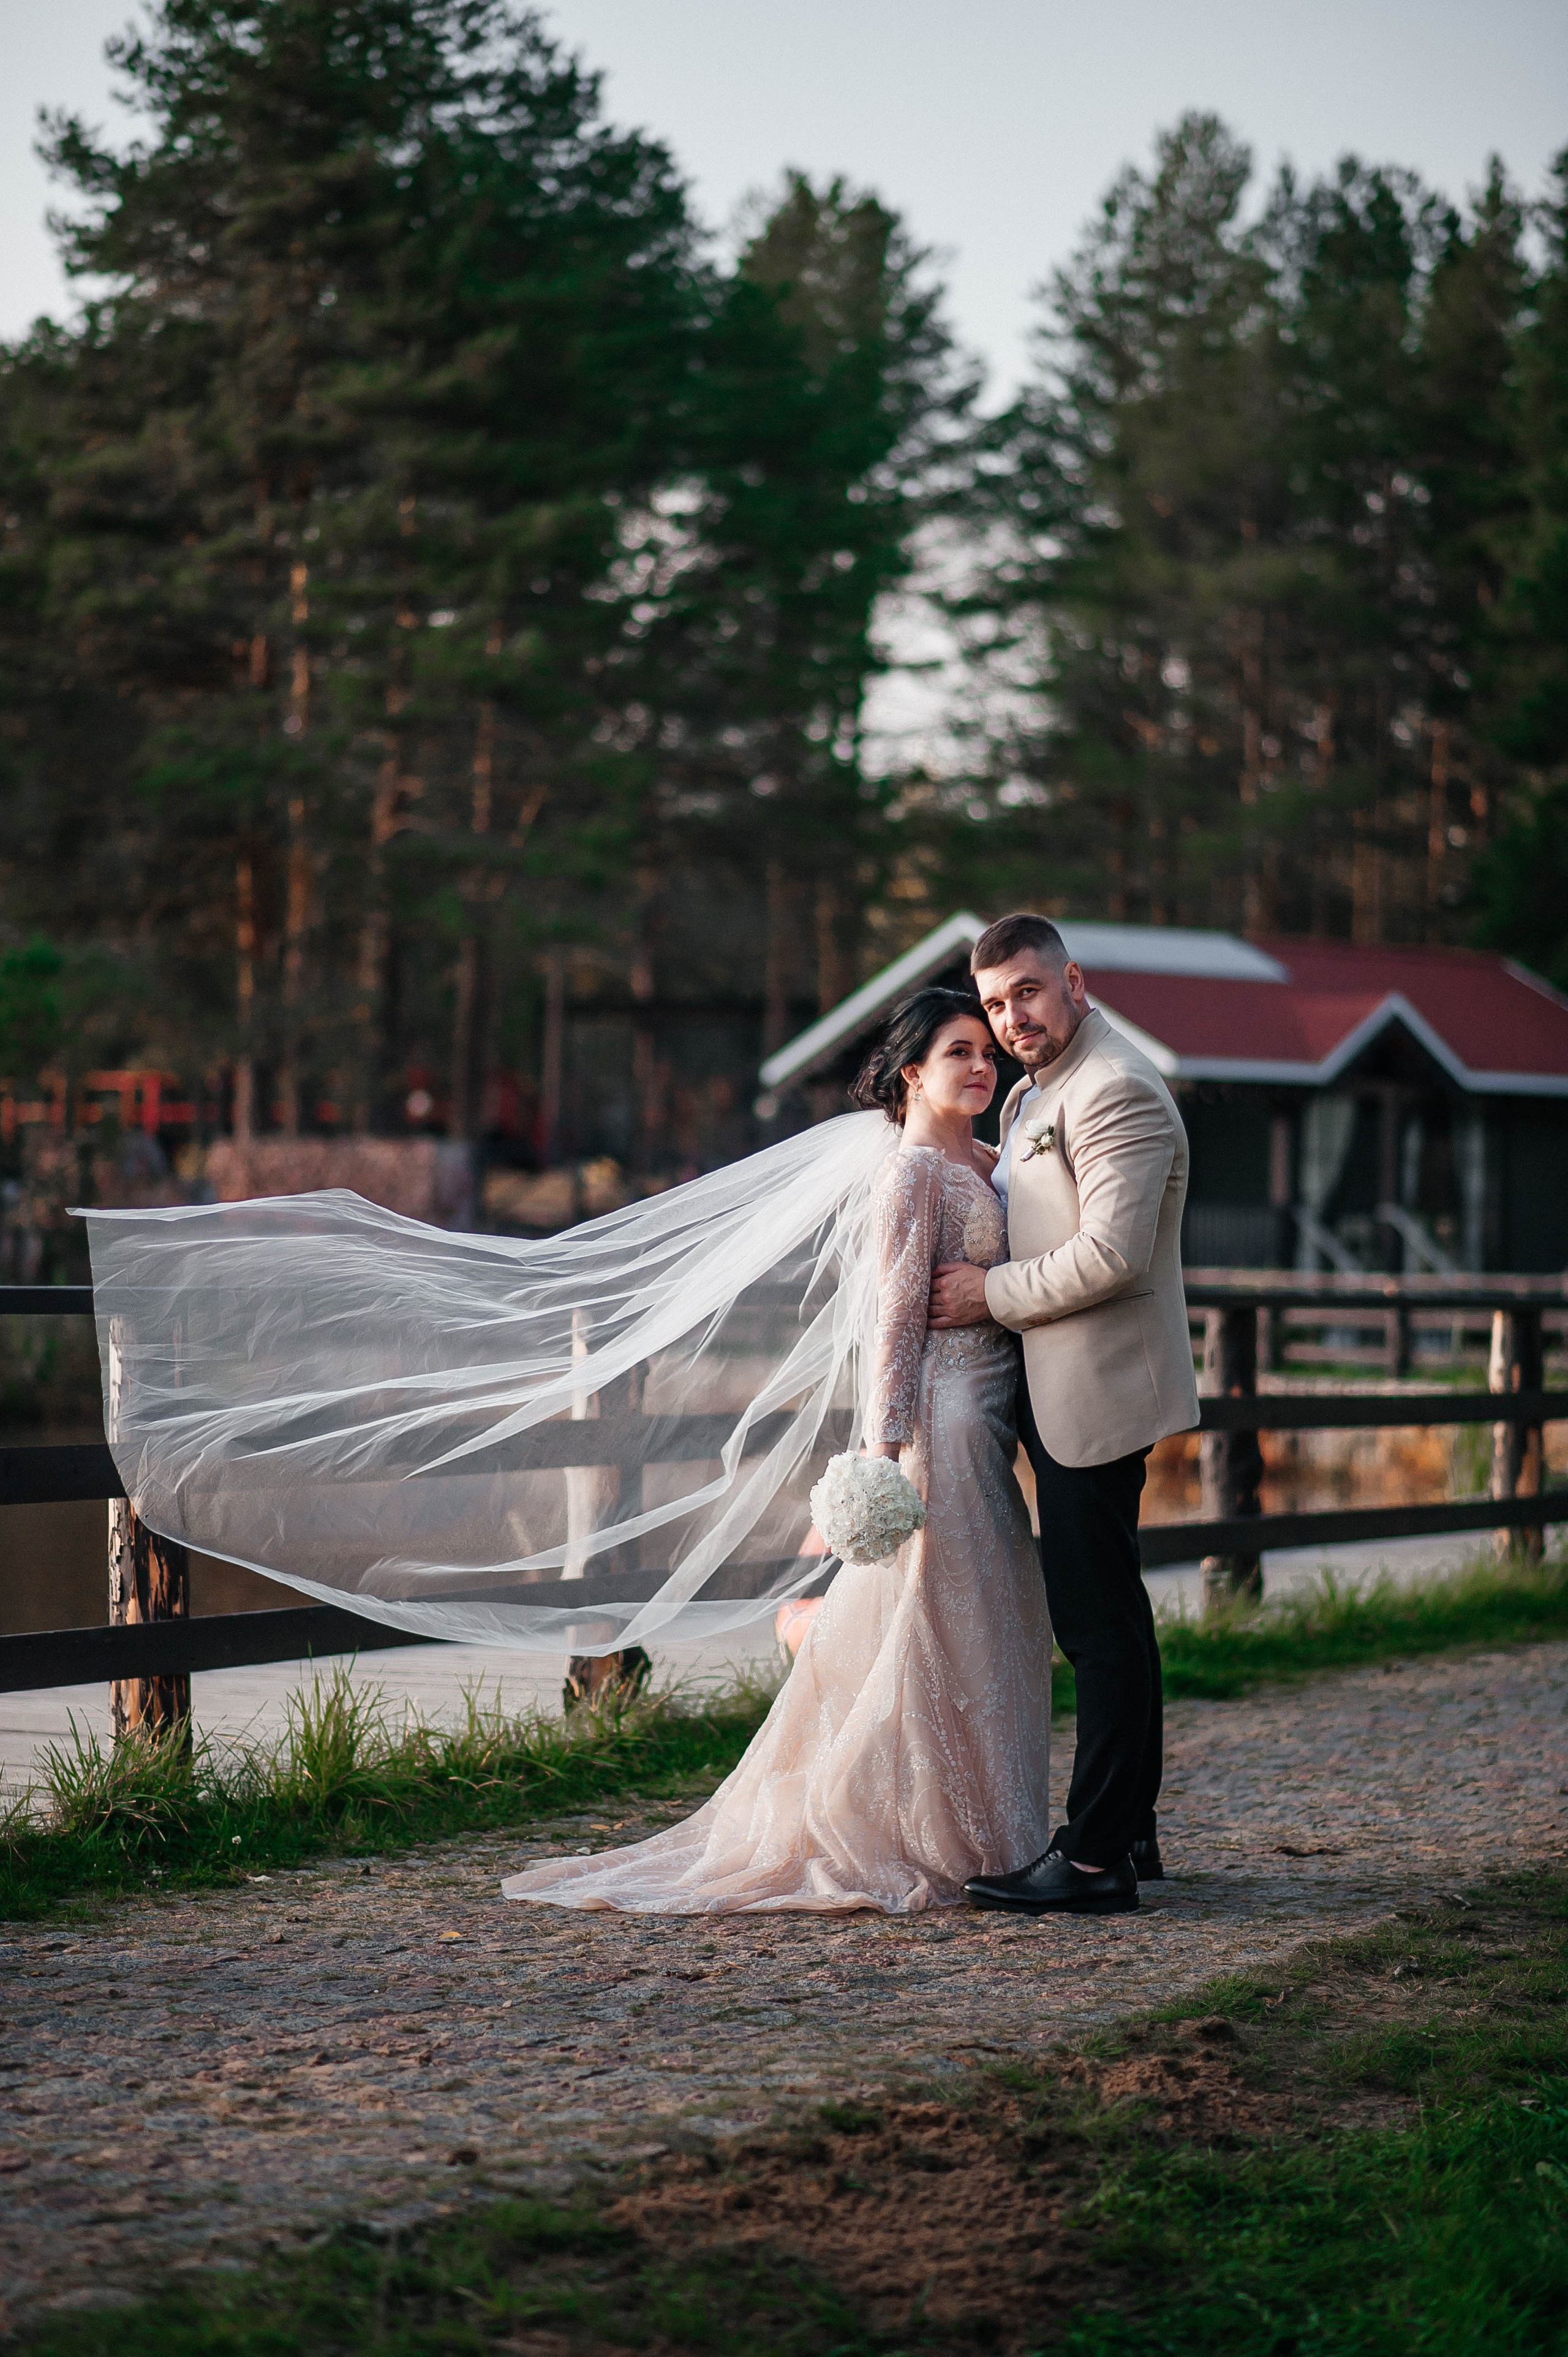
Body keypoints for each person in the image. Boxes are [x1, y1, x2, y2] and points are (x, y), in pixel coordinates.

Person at [500, 988, 1054, 1915]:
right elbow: (891, 1319)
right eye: (959, 1053)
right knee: (935, 1624)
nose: (980, 1068)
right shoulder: (914, 1172)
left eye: (985, 1054)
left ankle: (987, 1831)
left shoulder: (990, 1162)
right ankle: (921, 1832)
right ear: (913, 1072)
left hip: (993, 1419)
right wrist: (884, 1450)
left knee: (987, 1623)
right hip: (944, 1423)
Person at [928, 912, 1199, 1918]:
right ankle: (1129, 1827)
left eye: (1026, 994)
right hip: (1061, 1383)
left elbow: (1114, 1254)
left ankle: (1090, 1862)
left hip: (1099, 1388)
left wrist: (984, 1295)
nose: (1010, 1019)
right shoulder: (1049, 1088)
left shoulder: (1116, 1085)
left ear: (1073, 982)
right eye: (995, 1004)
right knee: (1113, 1611)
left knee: (1095, 1625)